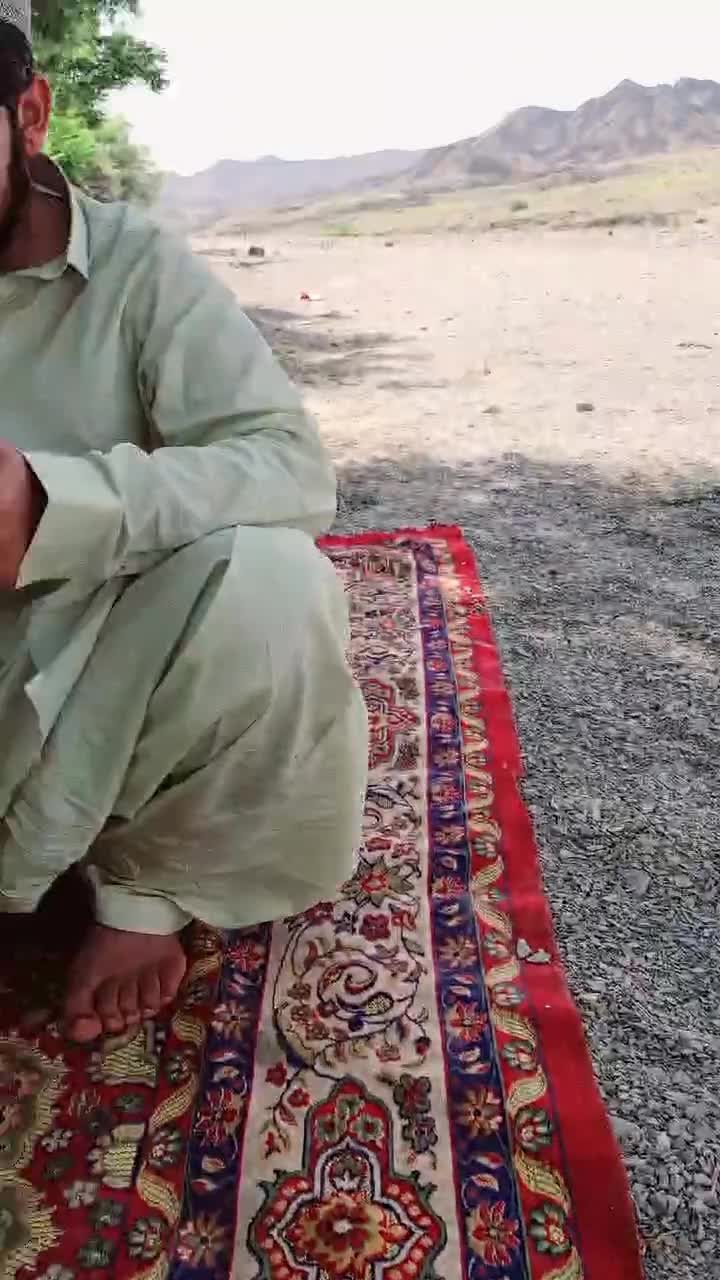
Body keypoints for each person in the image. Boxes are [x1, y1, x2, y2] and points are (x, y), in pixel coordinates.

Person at [0, 2, 368, 1043]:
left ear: (29, 114)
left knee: (273, 589)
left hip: (88, 674)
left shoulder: (137, 271)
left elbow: (289, 470)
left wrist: (55, 507)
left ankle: (144, 889)